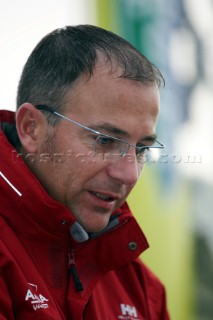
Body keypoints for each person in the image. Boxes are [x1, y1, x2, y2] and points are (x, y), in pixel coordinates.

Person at [0, 25, 169, 319]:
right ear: (31, 128)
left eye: (141, 149)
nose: (129, 175)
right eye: (105, 140)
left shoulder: (143, 290)